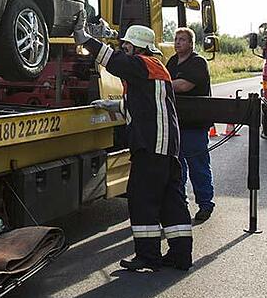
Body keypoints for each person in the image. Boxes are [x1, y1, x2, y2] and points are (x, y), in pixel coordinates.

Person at [75, 22, 193, 272]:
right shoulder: (154, 70)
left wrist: (85, 39)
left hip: (151, 146)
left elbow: (115, 62)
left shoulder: (143, 64)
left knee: (142, 198)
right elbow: (144, 106)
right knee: (171, 200)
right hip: (166, 146)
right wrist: (113, 106)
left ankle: (148, 257)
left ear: (135, 47)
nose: (123, 47)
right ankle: (181, 256)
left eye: (126, 44)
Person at [166, 27, 214, 223]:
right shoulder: (172, 62)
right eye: (176, 39)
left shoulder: (198, 62)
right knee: (178, 169)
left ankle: (205, 204)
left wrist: (163, 82)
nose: (178, 43)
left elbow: (184, 86)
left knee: (198, 166)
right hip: (176, 123)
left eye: (182, 40)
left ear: (191, 44)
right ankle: (180, 205)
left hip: (195, 125)